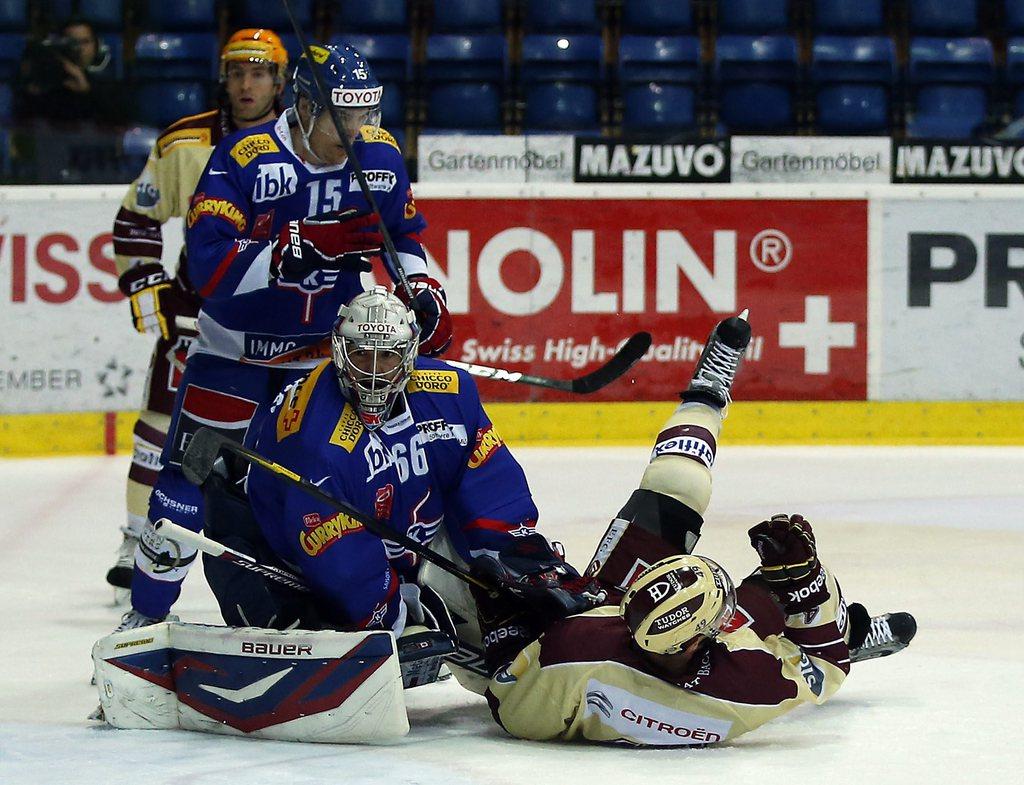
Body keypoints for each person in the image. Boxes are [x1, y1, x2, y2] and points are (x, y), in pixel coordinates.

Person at [115, 44, 452, 631]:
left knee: (346, 484)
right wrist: (288, 253)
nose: (357, 130)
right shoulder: (245, 158)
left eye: (365, 114)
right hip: (233, 355)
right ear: (302, 106)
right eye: (342, 117)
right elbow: (207, 266)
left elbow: (403, 234)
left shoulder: (379, 155)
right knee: (185, 485)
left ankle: (374, 607)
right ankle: (142, 620)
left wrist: (423, 288)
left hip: (324, 362)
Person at [470, 312, 917, 745]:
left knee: (675, 488)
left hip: (555, 661)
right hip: (610, 652)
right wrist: (806, 580)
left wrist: (507, 627)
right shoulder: (742, 685)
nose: (729, 617)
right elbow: (824, 666)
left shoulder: (589, 647)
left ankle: (705, 394)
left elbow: (510, 700)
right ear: (703, 642)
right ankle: (845, 632)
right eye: (721, 619)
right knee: (778, 591)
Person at [106, 28, 290, 593]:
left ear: (279, 81)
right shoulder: (185, 143)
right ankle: (140, 536)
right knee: (161, 427)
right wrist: (152, 291)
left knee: (295, 436)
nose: (246, 83)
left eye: (259, 72)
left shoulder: (306, 143)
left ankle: (297, 543)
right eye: (237, 72)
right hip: (201, 314)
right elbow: (136, 218)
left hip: (282, 319)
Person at [16, 17, 120, 125]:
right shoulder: (47, 81)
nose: (79, 48)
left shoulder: (106, 86)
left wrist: (86, 91)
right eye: (73, 42)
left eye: (85, 42)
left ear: (96, 46)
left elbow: (118, 123)